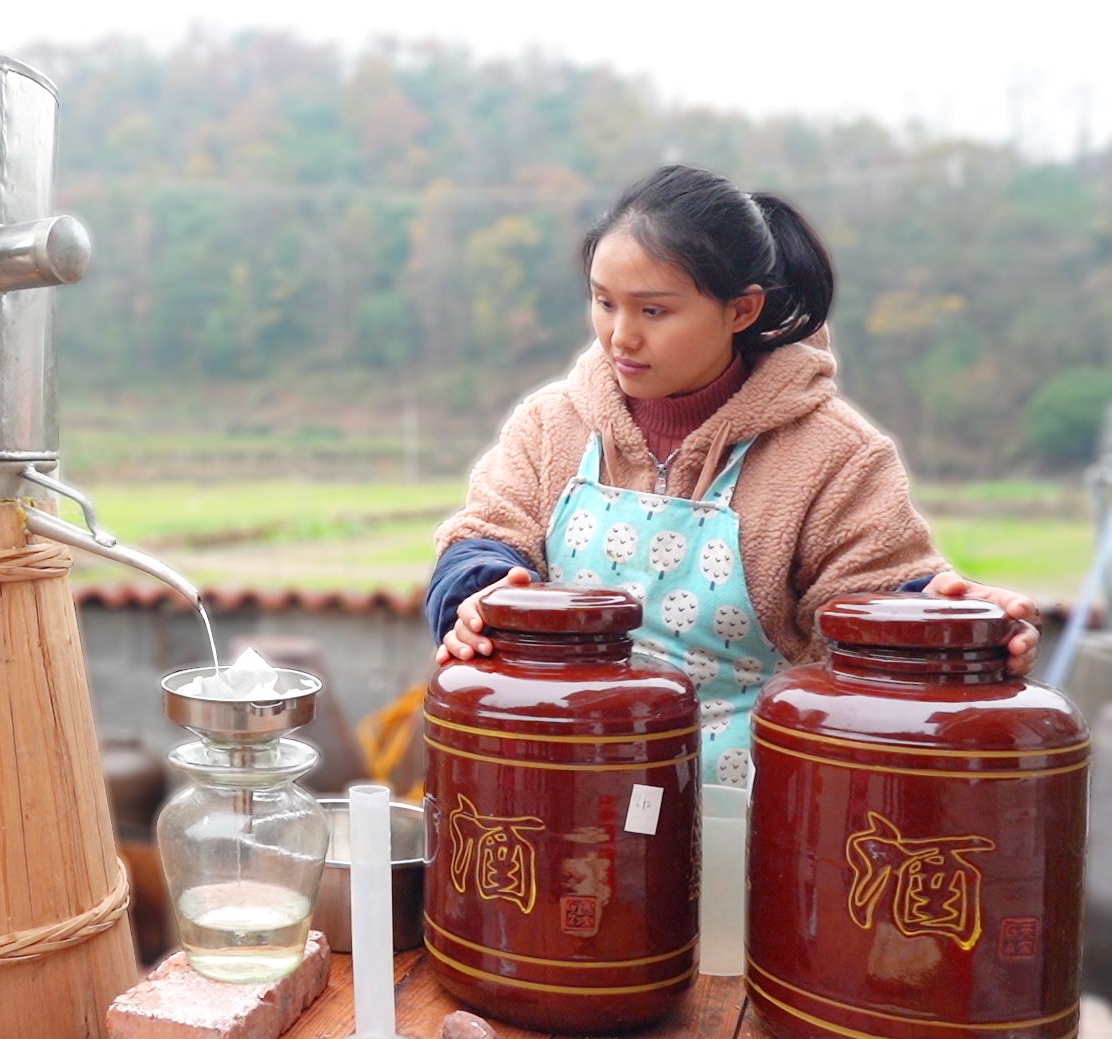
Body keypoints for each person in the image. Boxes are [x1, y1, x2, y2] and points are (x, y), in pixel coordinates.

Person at [425, 164, 1039, 787]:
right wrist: (478, 597)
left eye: (654, 311)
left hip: (747, 811)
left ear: (741, 309)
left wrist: (946, 618)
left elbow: (875, 597)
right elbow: (484, 535)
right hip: (559, 791)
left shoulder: (834, 454)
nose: (621, 335)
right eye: (604, 302)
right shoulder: (551, 425)